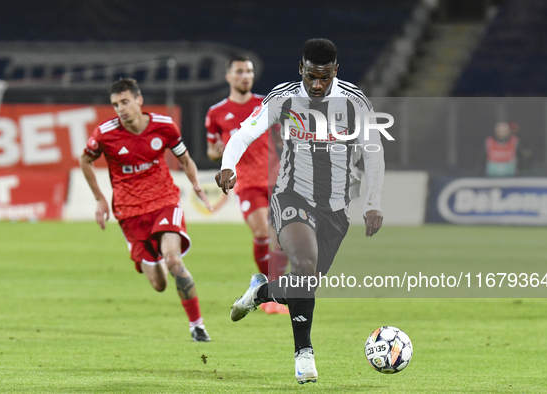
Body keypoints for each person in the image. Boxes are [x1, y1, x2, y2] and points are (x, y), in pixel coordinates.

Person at [215, 39, 385, 384]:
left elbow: (373, 153)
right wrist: (228, 164)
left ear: (335, 71)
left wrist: (372, 202)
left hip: (336, 209)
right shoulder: (283, 96)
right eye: (310, 76)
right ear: (301, 69)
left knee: (304, 284)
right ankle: (303, 355)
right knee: (304, 266)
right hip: (293, 196)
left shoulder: (354, 101)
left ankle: (259, 293)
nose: (317, 84)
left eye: (324, 77)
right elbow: (244, 134)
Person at [80, 78, 212, 342]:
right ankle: (148, 252)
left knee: (174, 259)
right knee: (159, 285)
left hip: (164, 201)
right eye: (116, 104)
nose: (121, 108)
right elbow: (85, 160)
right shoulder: (105, 133)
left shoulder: (164, 126)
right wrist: (100, 199)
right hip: (129, 212)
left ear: (139, 100)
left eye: (125, 102)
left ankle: (197, 326)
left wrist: (196, 184)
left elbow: (184, 159)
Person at [205, 55, 289, 315]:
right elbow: (211, 150)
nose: (245, 76)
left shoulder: (265, 105)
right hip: (247, 182)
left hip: (276, 179)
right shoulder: (216, 113)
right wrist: (218, 152)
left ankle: (266, 289)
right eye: (240, 71)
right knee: (263, 231)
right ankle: (267, 291)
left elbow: (282, 137)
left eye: (249, 71)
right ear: (229, 76)